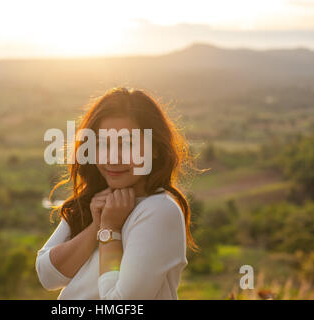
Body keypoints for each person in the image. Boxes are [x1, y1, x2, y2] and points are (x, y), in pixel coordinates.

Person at [36, 87, 199, 299]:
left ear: (155, 148)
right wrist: (97, 225)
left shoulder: (159, 211)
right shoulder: (97, 199)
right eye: (103, 144)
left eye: (127, 144)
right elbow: (47, 275)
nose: (112, 158)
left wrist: (110, 232)